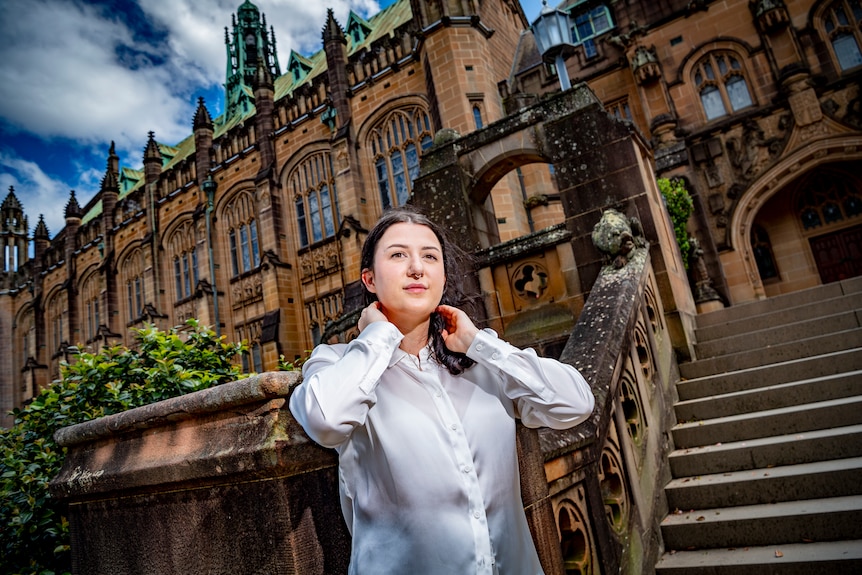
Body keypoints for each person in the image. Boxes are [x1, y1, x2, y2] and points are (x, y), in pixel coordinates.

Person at [289, 208, 594, 575]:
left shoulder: (482, 360)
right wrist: (378, 336)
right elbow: (325, 420)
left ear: (443, 277)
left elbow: (577, 404)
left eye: (430, 257)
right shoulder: (338, 364)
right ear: (369, 279)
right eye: (398, 254)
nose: (417, 267)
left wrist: (480, 344)